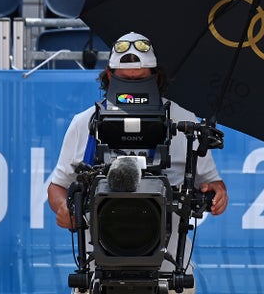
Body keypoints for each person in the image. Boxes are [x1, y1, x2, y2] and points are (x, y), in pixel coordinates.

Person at [47, 31, 228, 288]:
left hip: (169, 271)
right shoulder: (85, 124)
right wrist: (65, 209)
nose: (132, 86)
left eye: (140, 78)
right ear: (110, 75)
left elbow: (212, 183)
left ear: (155, 76)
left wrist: (218, 193)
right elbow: (57, 187)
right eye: (125, 79)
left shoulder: (184, 122)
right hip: (98, 271)